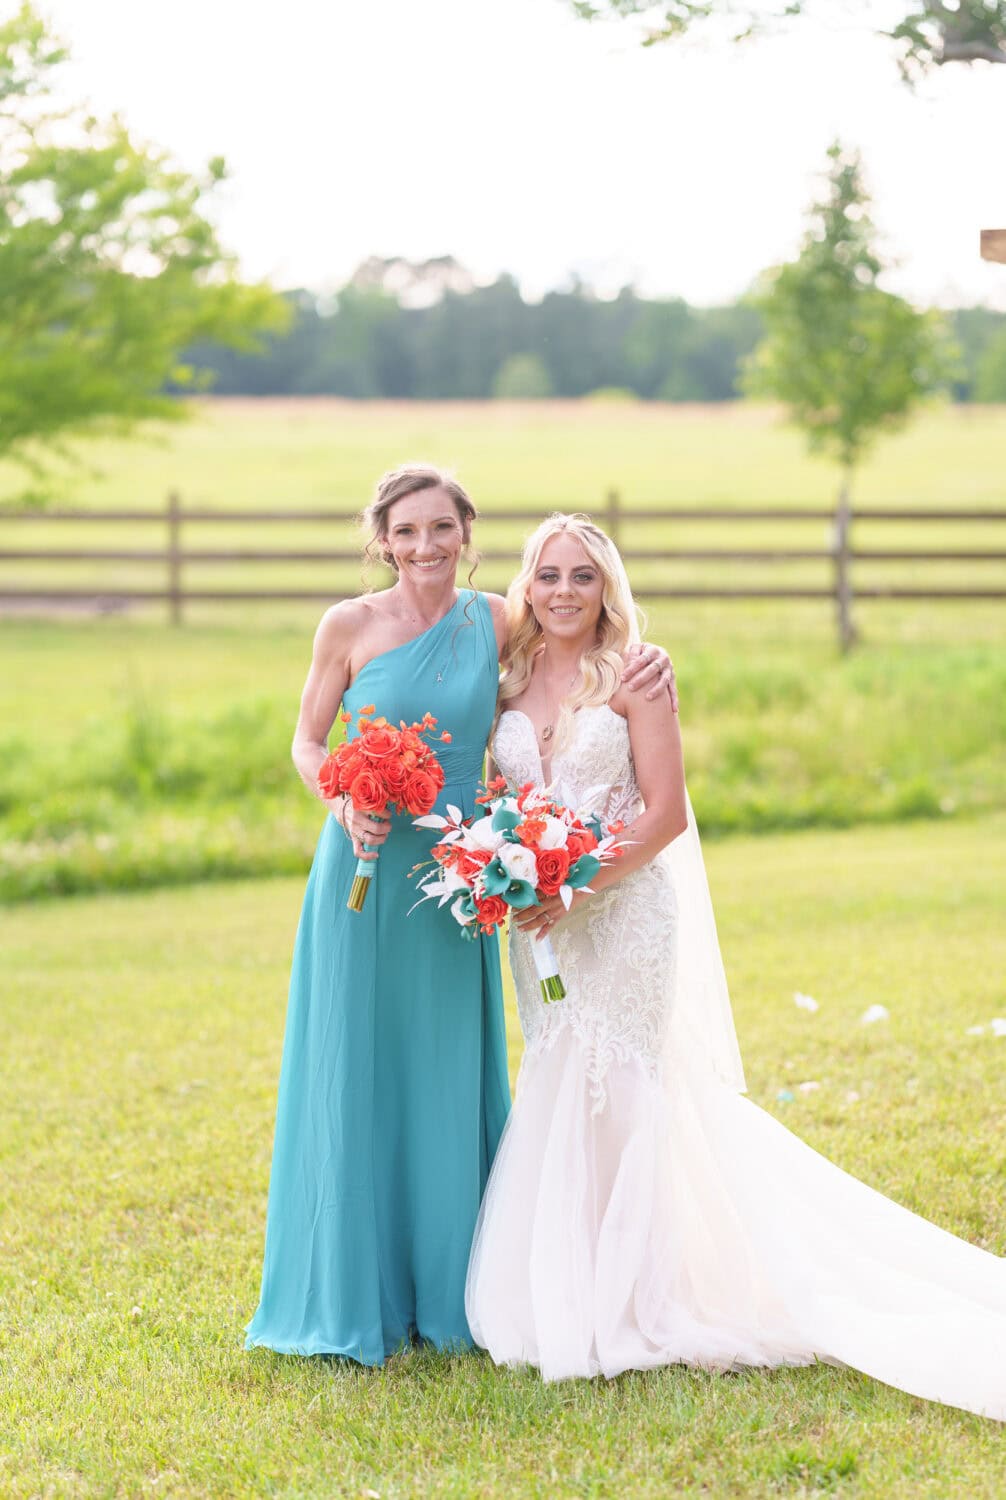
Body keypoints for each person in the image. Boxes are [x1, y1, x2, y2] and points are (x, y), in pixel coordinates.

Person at [465, 512, 1006, 1421]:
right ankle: (567, 1288)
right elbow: (495, 789)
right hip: (542, 927)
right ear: (528, 585)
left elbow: (667, 812)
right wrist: (510, 864)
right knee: (558, 1072)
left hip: (625, 914)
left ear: (608, 590)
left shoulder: (636, 673)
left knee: (624, 1085)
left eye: (583, 578)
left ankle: (637, 1301)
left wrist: (578, 879)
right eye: (548, 576)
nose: (564, 592)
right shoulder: (506, 681)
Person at [245, 468, 675, 1366]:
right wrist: (338, 798)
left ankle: (456, 1294)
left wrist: (648, 655)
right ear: (382, 539)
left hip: (459, 874)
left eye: (443, 529)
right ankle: (347, 1291)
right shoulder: (346, 627)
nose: (426, 547)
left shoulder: (494, 621)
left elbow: (575, 630)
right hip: (361, 873)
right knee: (352, 1066)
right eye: (407, 532)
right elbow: (306, 740)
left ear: (468, 535)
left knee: (444, 1068)